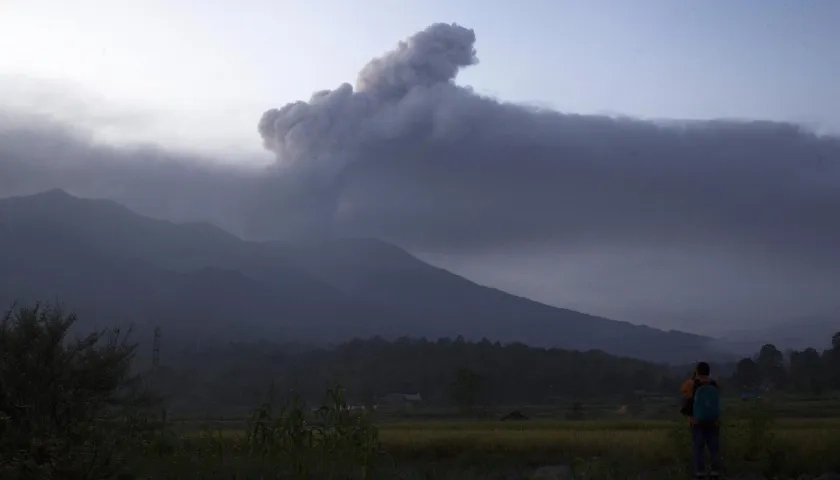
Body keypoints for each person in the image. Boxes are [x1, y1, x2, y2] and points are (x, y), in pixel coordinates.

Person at [680, 361, 721, 479]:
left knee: (699, 448)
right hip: (713, 421)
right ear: (709, 372)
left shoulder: (692, 384)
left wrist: (693, 377)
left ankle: (700, 473)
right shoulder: (714, 384)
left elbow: (683, 390)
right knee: (714, 449)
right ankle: (715, 473)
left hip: (697, 421)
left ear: (697, 372)